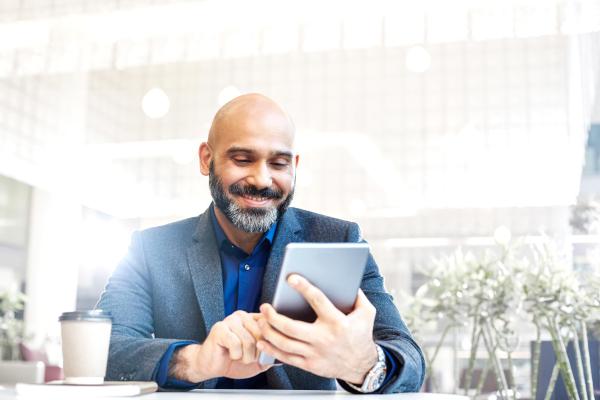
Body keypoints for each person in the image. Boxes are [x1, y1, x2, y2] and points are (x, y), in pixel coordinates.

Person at [96, 93, 425, 393]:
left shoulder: (339, 238)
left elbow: (407, 357)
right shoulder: (150, 249)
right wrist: (194, 361)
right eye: (242, 159)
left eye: (279, 163)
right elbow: (103, 350)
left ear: (294, 166)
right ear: (206, 159)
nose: (262, 179)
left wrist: (364, 363)